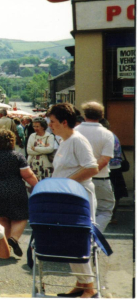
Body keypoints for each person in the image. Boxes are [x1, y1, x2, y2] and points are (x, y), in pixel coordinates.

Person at [47, 103, 99, 298]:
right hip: (67, 197)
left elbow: (92, 168)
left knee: (77, 240)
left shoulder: (78, 140)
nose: (50, 125)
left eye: (52, 122)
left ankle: (90, 289)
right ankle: (81, 282)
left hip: (79, 197)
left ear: (64, 122)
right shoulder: (64, 141)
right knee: (70, 239)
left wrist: (65, 183)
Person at [0, 129, 38, 257]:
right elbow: (28, 175)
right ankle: (14, 239)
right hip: (14, 189)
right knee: (21, 216)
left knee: (1, 216)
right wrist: (39, 186)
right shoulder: (17, 156)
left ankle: (5, 247)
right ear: (12, 142)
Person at [75, 102, 115, 233]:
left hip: (78, 179)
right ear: (101, 115)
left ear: (84, 114)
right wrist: (90, 171)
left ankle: (82, 236)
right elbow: (104, 160)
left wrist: (83, 174)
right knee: (105, 210)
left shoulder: (75, 132)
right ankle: (94, 236)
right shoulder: (107, 134)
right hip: (100, 178)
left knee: (81, 210)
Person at [102, 120, 128, 225]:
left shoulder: (106, 137)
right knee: (116, 192)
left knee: (112, 192)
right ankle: (112, 215)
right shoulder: (113, 136)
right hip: (116, 167)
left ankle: (109, 215)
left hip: (109, 168)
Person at [26, 118, 55, 183]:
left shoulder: (49, 136)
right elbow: (29, 151)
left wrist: (35, 148)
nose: (35, 128)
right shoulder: (32, 136)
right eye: (34, 126)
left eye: (37, 126)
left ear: (43, 127)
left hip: (46, 166)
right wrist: (44, 149)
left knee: (46, 184)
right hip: (33, 165)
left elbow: (50, 149)